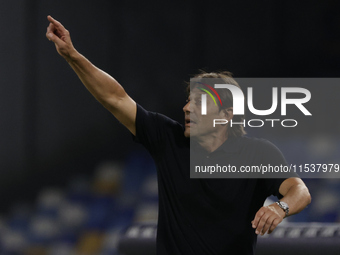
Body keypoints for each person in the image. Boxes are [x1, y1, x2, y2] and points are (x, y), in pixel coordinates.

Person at [46, 15, 311, 255]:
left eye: (199, 103)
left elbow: (299, 190)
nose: (186, 108)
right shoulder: (168, 138)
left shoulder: (256, 153)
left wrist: (280, 207)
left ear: (226, 114)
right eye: (188, 101)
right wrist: (72, 55)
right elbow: (115, 98)